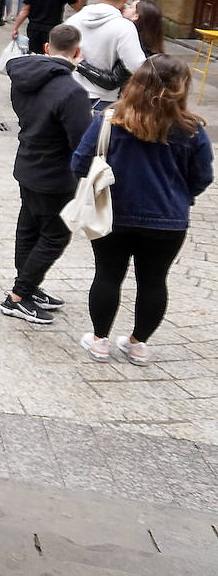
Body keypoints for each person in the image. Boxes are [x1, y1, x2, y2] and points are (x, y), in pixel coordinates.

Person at [75, 55, 212, 365]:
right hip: (168, 220)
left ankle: (99, 341)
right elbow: (202, 177)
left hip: (113, 214)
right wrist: (179, 196)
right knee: (154, 281)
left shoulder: (108, 121)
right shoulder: (190, 130)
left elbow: (80, 163)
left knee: (107, 275)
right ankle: (137, 344)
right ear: (181, 88)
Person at [0, 23, 92, 325]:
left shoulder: (24, 79)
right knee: (55, 235)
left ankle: (27, 284)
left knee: (29, 225)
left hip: (28, 163)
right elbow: (80, 141)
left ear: (47, 48)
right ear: (77, 53)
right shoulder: (73, 92)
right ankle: (18, 295)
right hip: (55, 174)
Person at [66, 0, 147, 108]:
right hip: (102, 99)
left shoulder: (73, 20)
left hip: (70, 91)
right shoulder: (124, 27)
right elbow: (137, 66)